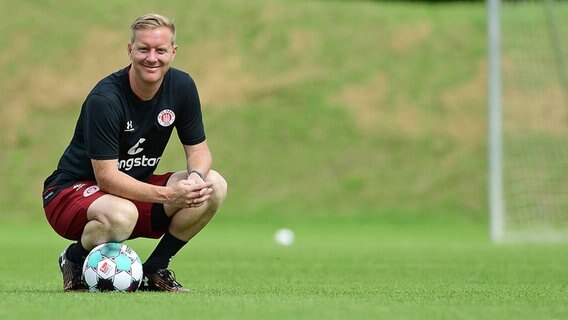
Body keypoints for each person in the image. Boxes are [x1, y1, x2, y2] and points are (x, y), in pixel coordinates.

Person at [41, 13, 227, 292]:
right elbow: (107, 179)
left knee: (214, 185)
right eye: (144, 49)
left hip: (127, 191)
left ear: (173, 52)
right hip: (72, 191)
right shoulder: (105, 99)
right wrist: (170, 195)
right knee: (122, 215)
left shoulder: (182, 87)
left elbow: (198, 149)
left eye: (160, 50)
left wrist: (196, 178)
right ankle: (74, 258)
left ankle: (154, 270)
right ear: (130, 50)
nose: (152, 58)